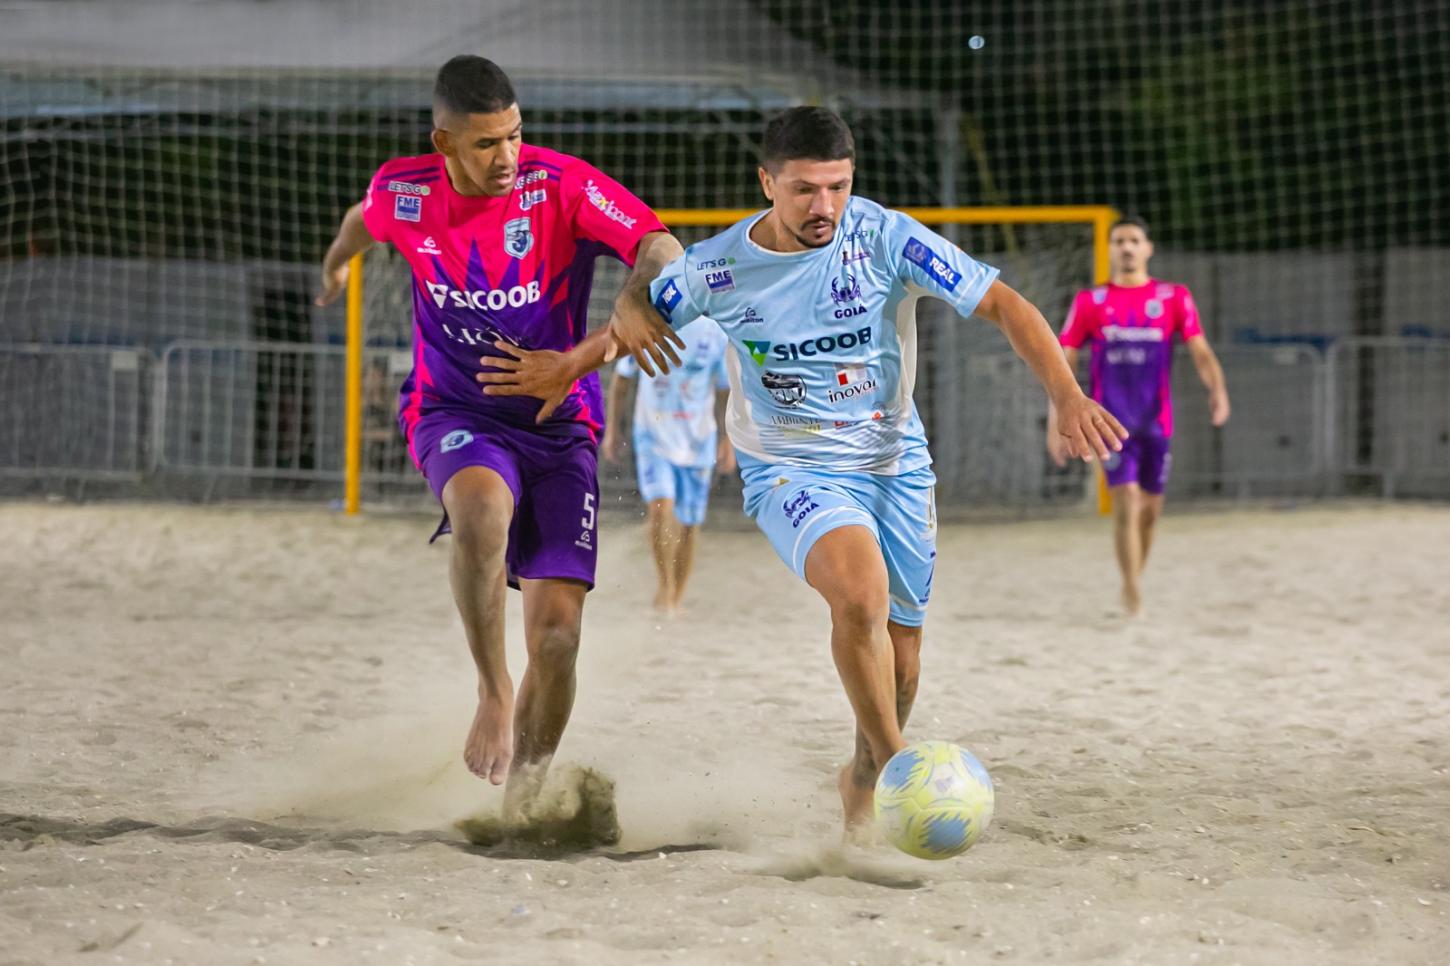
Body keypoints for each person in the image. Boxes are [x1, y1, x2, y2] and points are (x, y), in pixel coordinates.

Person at [485, 106, 1126, 837]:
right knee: (859, 597)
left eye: (838, 187)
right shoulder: (720, 267)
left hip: (894, 464)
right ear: (767, 182)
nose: (824, 206)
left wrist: (1067, 394)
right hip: (788, 468)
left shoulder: (886, 238)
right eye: (804, 189)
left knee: (903, 660)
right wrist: (568, 365)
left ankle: (864, 774)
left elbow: (1005, 304)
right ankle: (901, 769)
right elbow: (632, 323)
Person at [315, 55, 683, 811]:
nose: (507, 155)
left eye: (514, 135)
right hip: (456, 412)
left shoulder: (561, 184)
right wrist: (335, 268)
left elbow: (661, 247)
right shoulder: (406, 192)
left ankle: (525, 795)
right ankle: (492, 687)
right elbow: (360, 221)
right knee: (480, 510)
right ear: (444, 142)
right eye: (486, 143)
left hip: (558, 424)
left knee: (558, 640)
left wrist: (631, 302)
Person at [1048, 216, 1230, 616]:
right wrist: (1056, 418)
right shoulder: (1090, 301)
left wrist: (1217, 389)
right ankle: (1131, 592)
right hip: (1110, 424)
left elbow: (1200, 351)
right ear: (1110, 249)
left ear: (1148, 249)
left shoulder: (1173, 297)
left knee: (1149, 511)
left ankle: (1134, 578)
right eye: (1119, 241)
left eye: (1134, 240)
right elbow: (1063, 360)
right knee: (1126, 500)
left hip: (1156, 422)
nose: (1127, 247)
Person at [602, 317, 734, 614]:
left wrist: (727, 438)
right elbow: (622, 380)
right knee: (661, 508)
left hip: (698, 439)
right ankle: (664, 587)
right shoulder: (648, 318)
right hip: (653, 434)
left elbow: (724, 389)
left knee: (689, 523)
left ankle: (677, 596)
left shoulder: (715, 330)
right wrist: (612, 430)